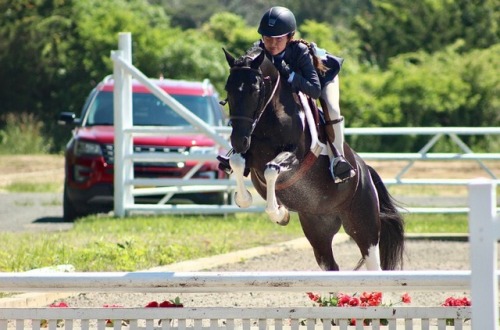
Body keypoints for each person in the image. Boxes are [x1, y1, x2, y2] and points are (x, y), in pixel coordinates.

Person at [257, 6, 355, 183]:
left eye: (278, 39)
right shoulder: (260, 51)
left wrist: (290, 74)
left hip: (323, 77)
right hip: (296, 88)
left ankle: (338, 159)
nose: (272, 44)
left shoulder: (300, 51)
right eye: (267, 38)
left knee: (331, 109)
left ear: (290, 37)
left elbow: (314, 90)